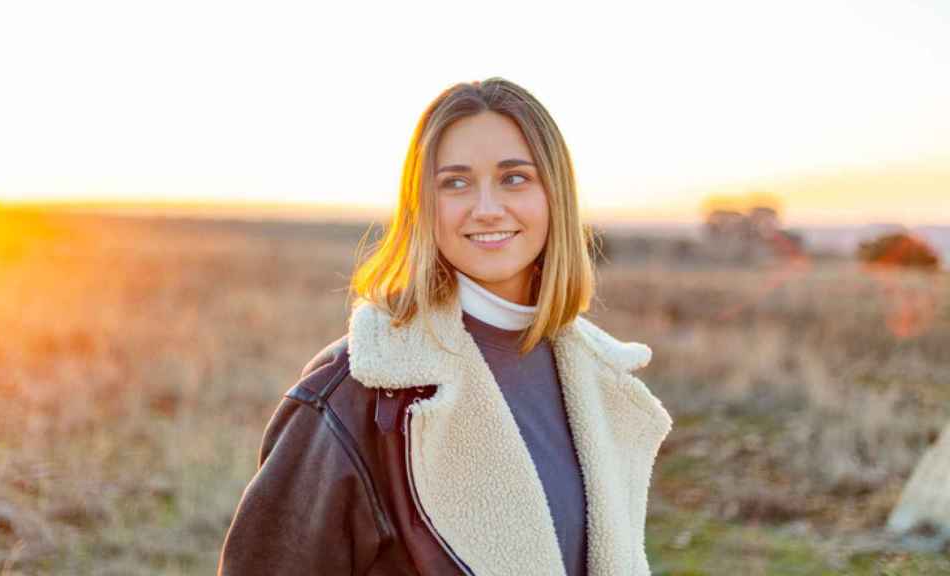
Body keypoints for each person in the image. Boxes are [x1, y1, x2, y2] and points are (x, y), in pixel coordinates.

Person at [217, 77, 673, 576]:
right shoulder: (356, 392)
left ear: (555, 196)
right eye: (455, 182)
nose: (487, 208)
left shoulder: (597, 380)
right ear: (423, 206)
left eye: (514, 178)